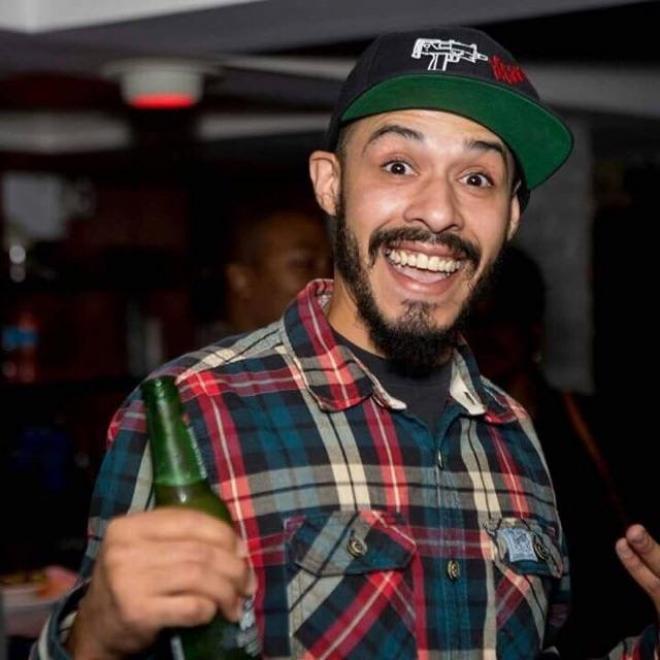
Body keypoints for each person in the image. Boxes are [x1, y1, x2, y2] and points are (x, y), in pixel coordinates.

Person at [34, 27, 659, 659]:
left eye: (477, 178)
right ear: (330, 184)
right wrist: (96, 637)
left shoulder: (513, 431)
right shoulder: (197, 409)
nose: (439, 212)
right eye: (398, 166)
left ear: (511, 217)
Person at [465, 246, 655, 657]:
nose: (482, 335)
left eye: (499, 318)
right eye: (468, 321)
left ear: (533, 331)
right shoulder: (442, 442)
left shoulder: (597, 428)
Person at [195, 198, 332, 344]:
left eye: (332, 267)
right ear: (242, 280)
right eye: (304, 264)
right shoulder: (206, 357)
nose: (329, 281)